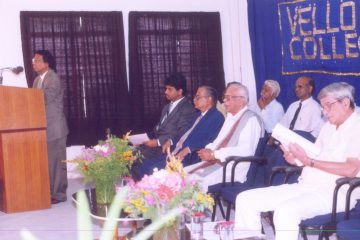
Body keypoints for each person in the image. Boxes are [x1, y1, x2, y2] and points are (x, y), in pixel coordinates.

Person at [234, 82, 360, 240]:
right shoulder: (329, 126)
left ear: (345, 103)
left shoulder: (357, 126)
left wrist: (309, 161)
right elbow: (316, 156)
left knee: (286, 211)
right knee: (246, 199)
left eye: (328, 106)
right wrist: (296, 160)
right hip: (307, 185)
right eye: (323, 107)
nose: (324, 112)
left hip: (337, 192)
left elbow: (351, 169)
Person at [185, 82, 264, 190]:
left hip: (233, 168)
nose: (224, 102)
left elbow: (246, 151)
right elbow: (219, 141)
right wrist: (208, 150)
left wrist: (215, 154)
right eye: (224, 97)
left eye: (228, 98)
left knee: (193, 181)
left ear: (241, 100)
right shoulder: (230, 117)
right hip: (218, 162)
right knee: (183, 174)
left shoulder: (251, 119)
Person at [136, 86, 224, 179]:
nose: (194, 99)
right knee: (144, 165)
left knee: (152, 170)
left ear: (209, 99)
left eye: (198, 97)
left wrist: (189, 149)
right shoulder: (197, 115)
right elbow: (184, 132)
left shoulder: (216, 117)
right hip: (175, 151)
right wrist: (171, 141)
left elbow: (210, 140)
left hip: (189, 157)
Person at [32, 50, 69, 204]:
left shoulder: (53, 78)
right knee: (47, 162)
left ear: (47, 63)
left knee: (56, 162)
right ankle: (48, 191)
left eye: (37, 60)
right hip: (43, 127)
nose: (34, 62)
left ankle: (59, 194)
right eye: (33, 60)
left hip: (55, 127)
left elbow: (44, 98)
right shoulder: (36, 80)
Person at [136, 73, 197, 160]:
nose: (166, 92)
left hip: (168, 147)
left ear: (180, 91)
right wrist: (143, 138)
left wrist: (157, 142)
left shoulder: (187, 109)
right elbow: (158, 128)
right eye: (166, 89)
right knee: (129, 151)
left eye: (170, 89)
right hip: (155, 144)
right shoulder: (167, 107)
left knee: (134, 157)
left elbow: (182, 133)